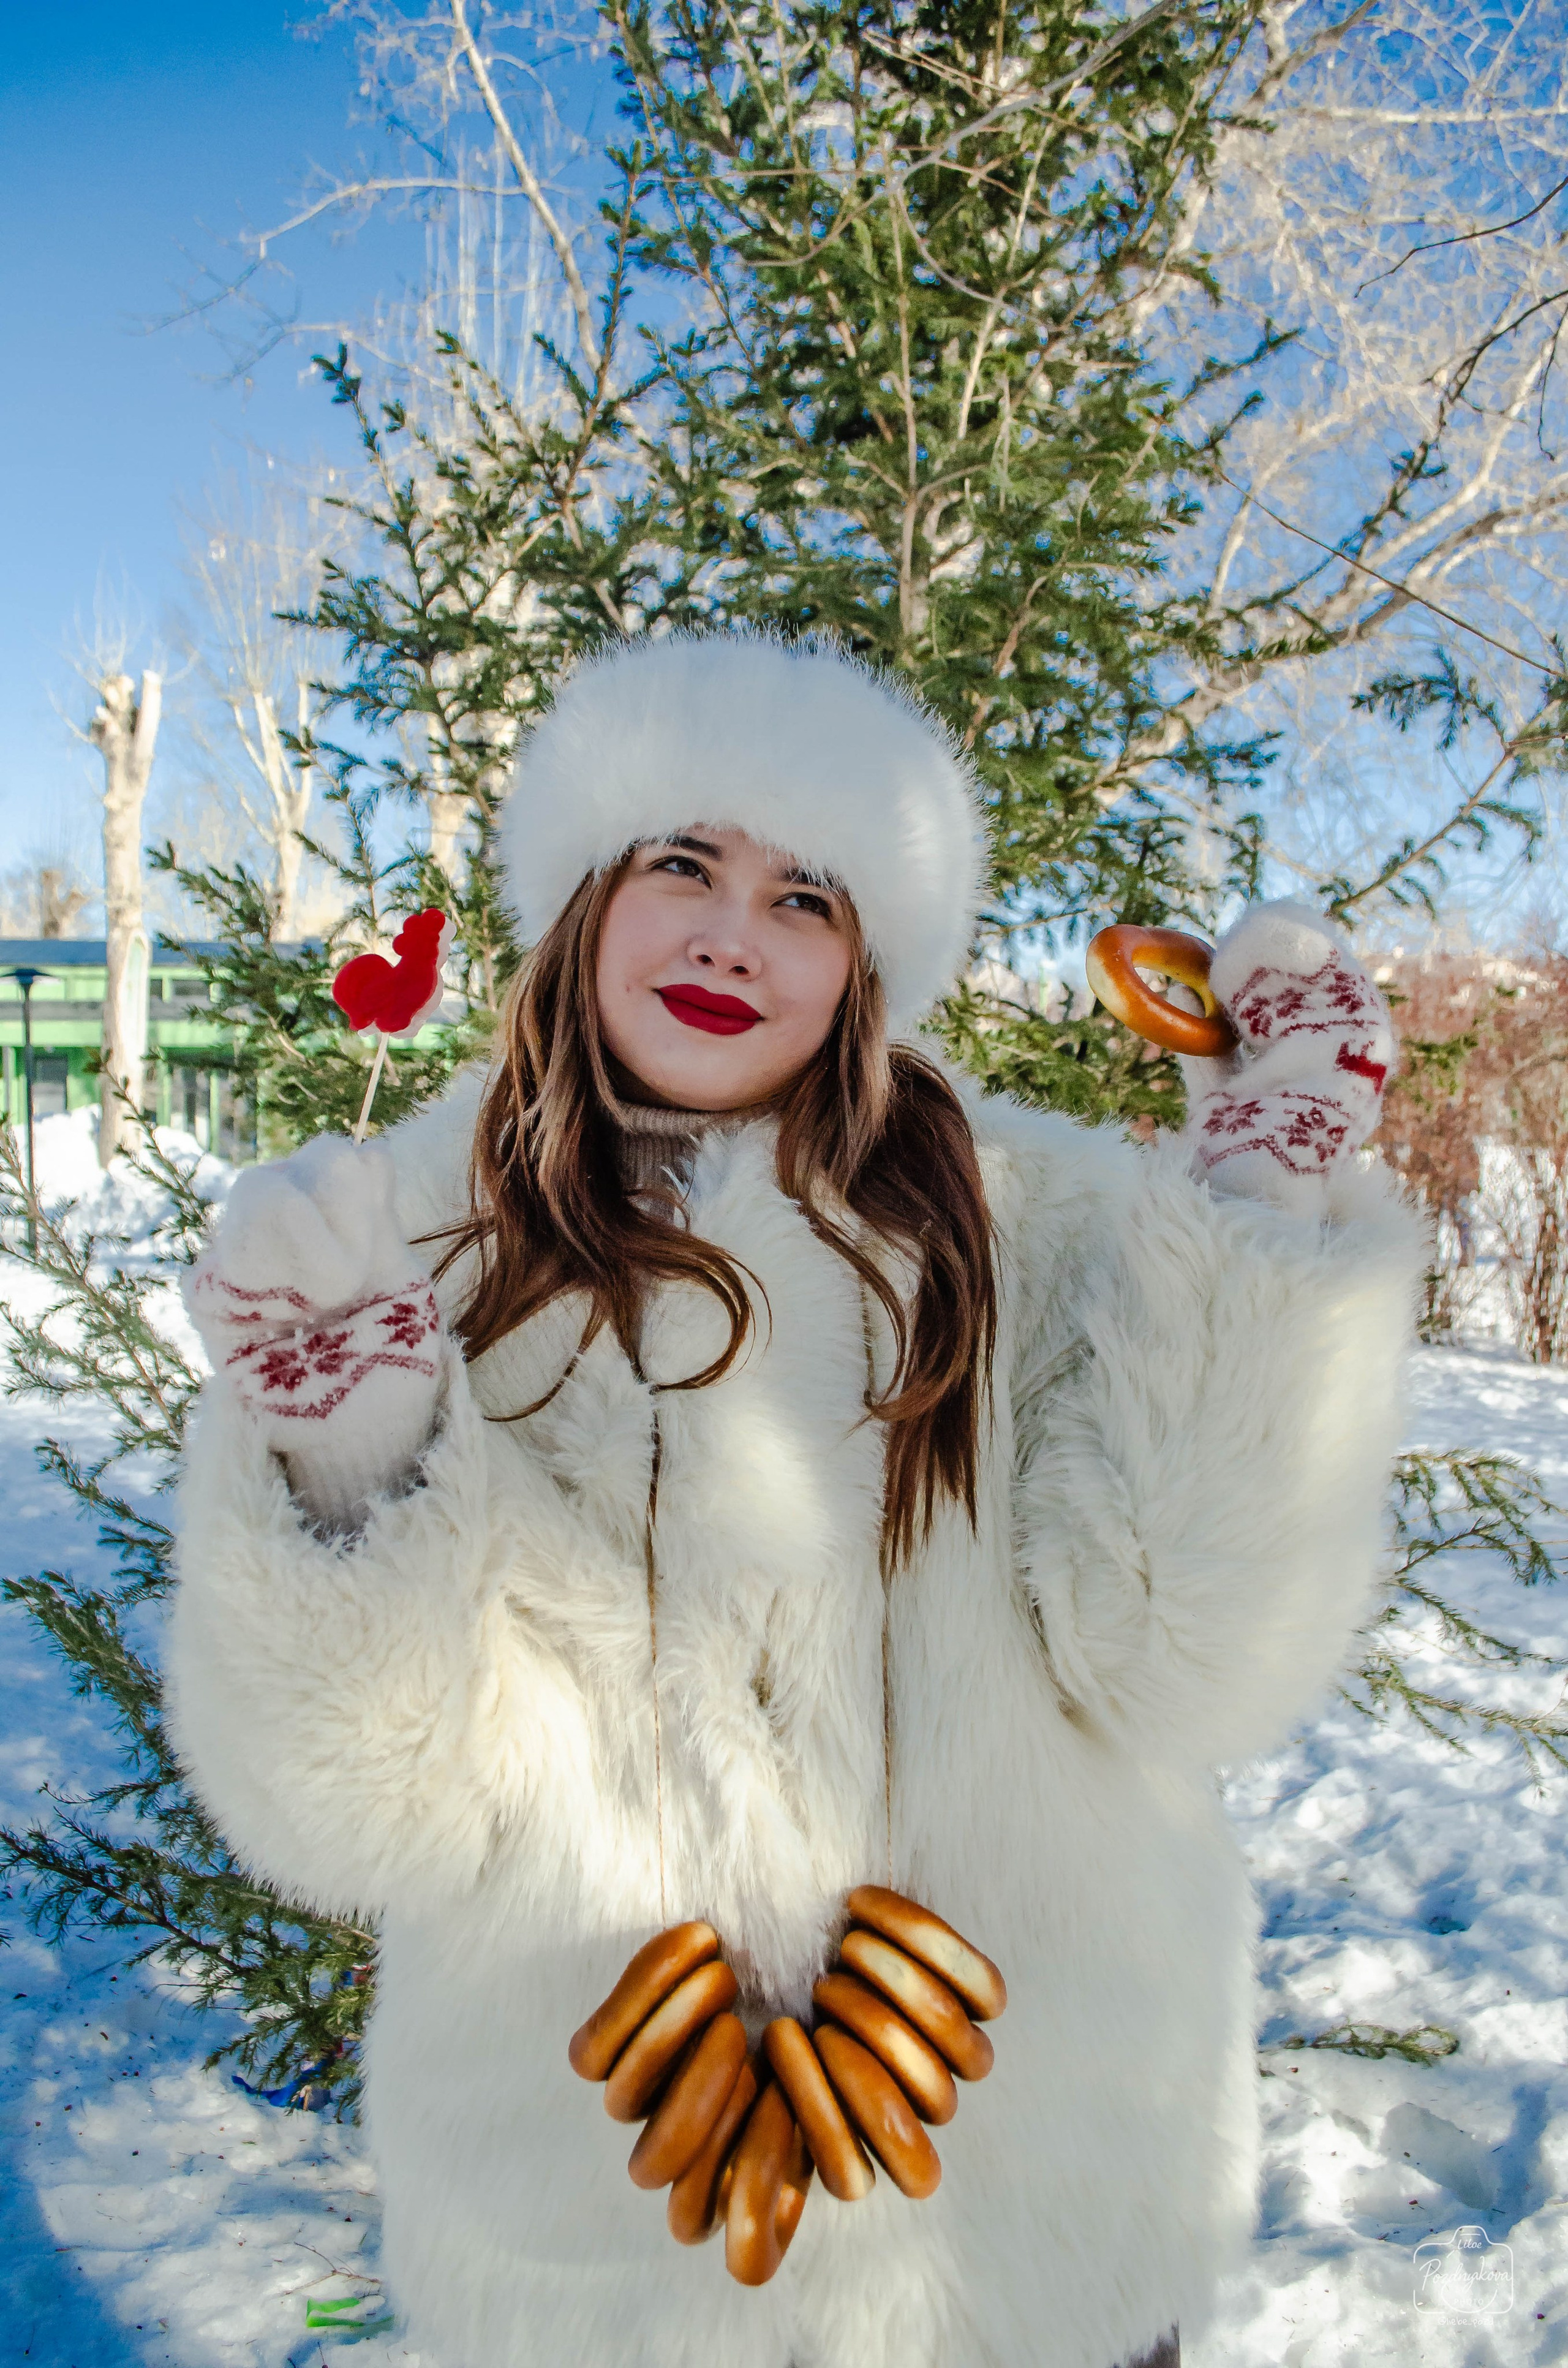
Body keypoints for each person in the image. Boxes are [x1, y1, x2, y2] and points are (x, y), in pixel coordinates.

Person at [168, 633, 1423, 2368]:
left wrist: (1262, 1240)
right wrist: (361, 1454)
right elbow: (368, 1812)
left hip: (1036, 2213)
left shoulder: (1040, 1216)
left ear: (865, 964)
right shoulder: (391, 1249)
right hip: (592, 2241)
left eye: (805, 897)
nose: (727, 931)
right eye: (681, 861)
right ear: (588, 898)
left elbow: (1184, 1650)